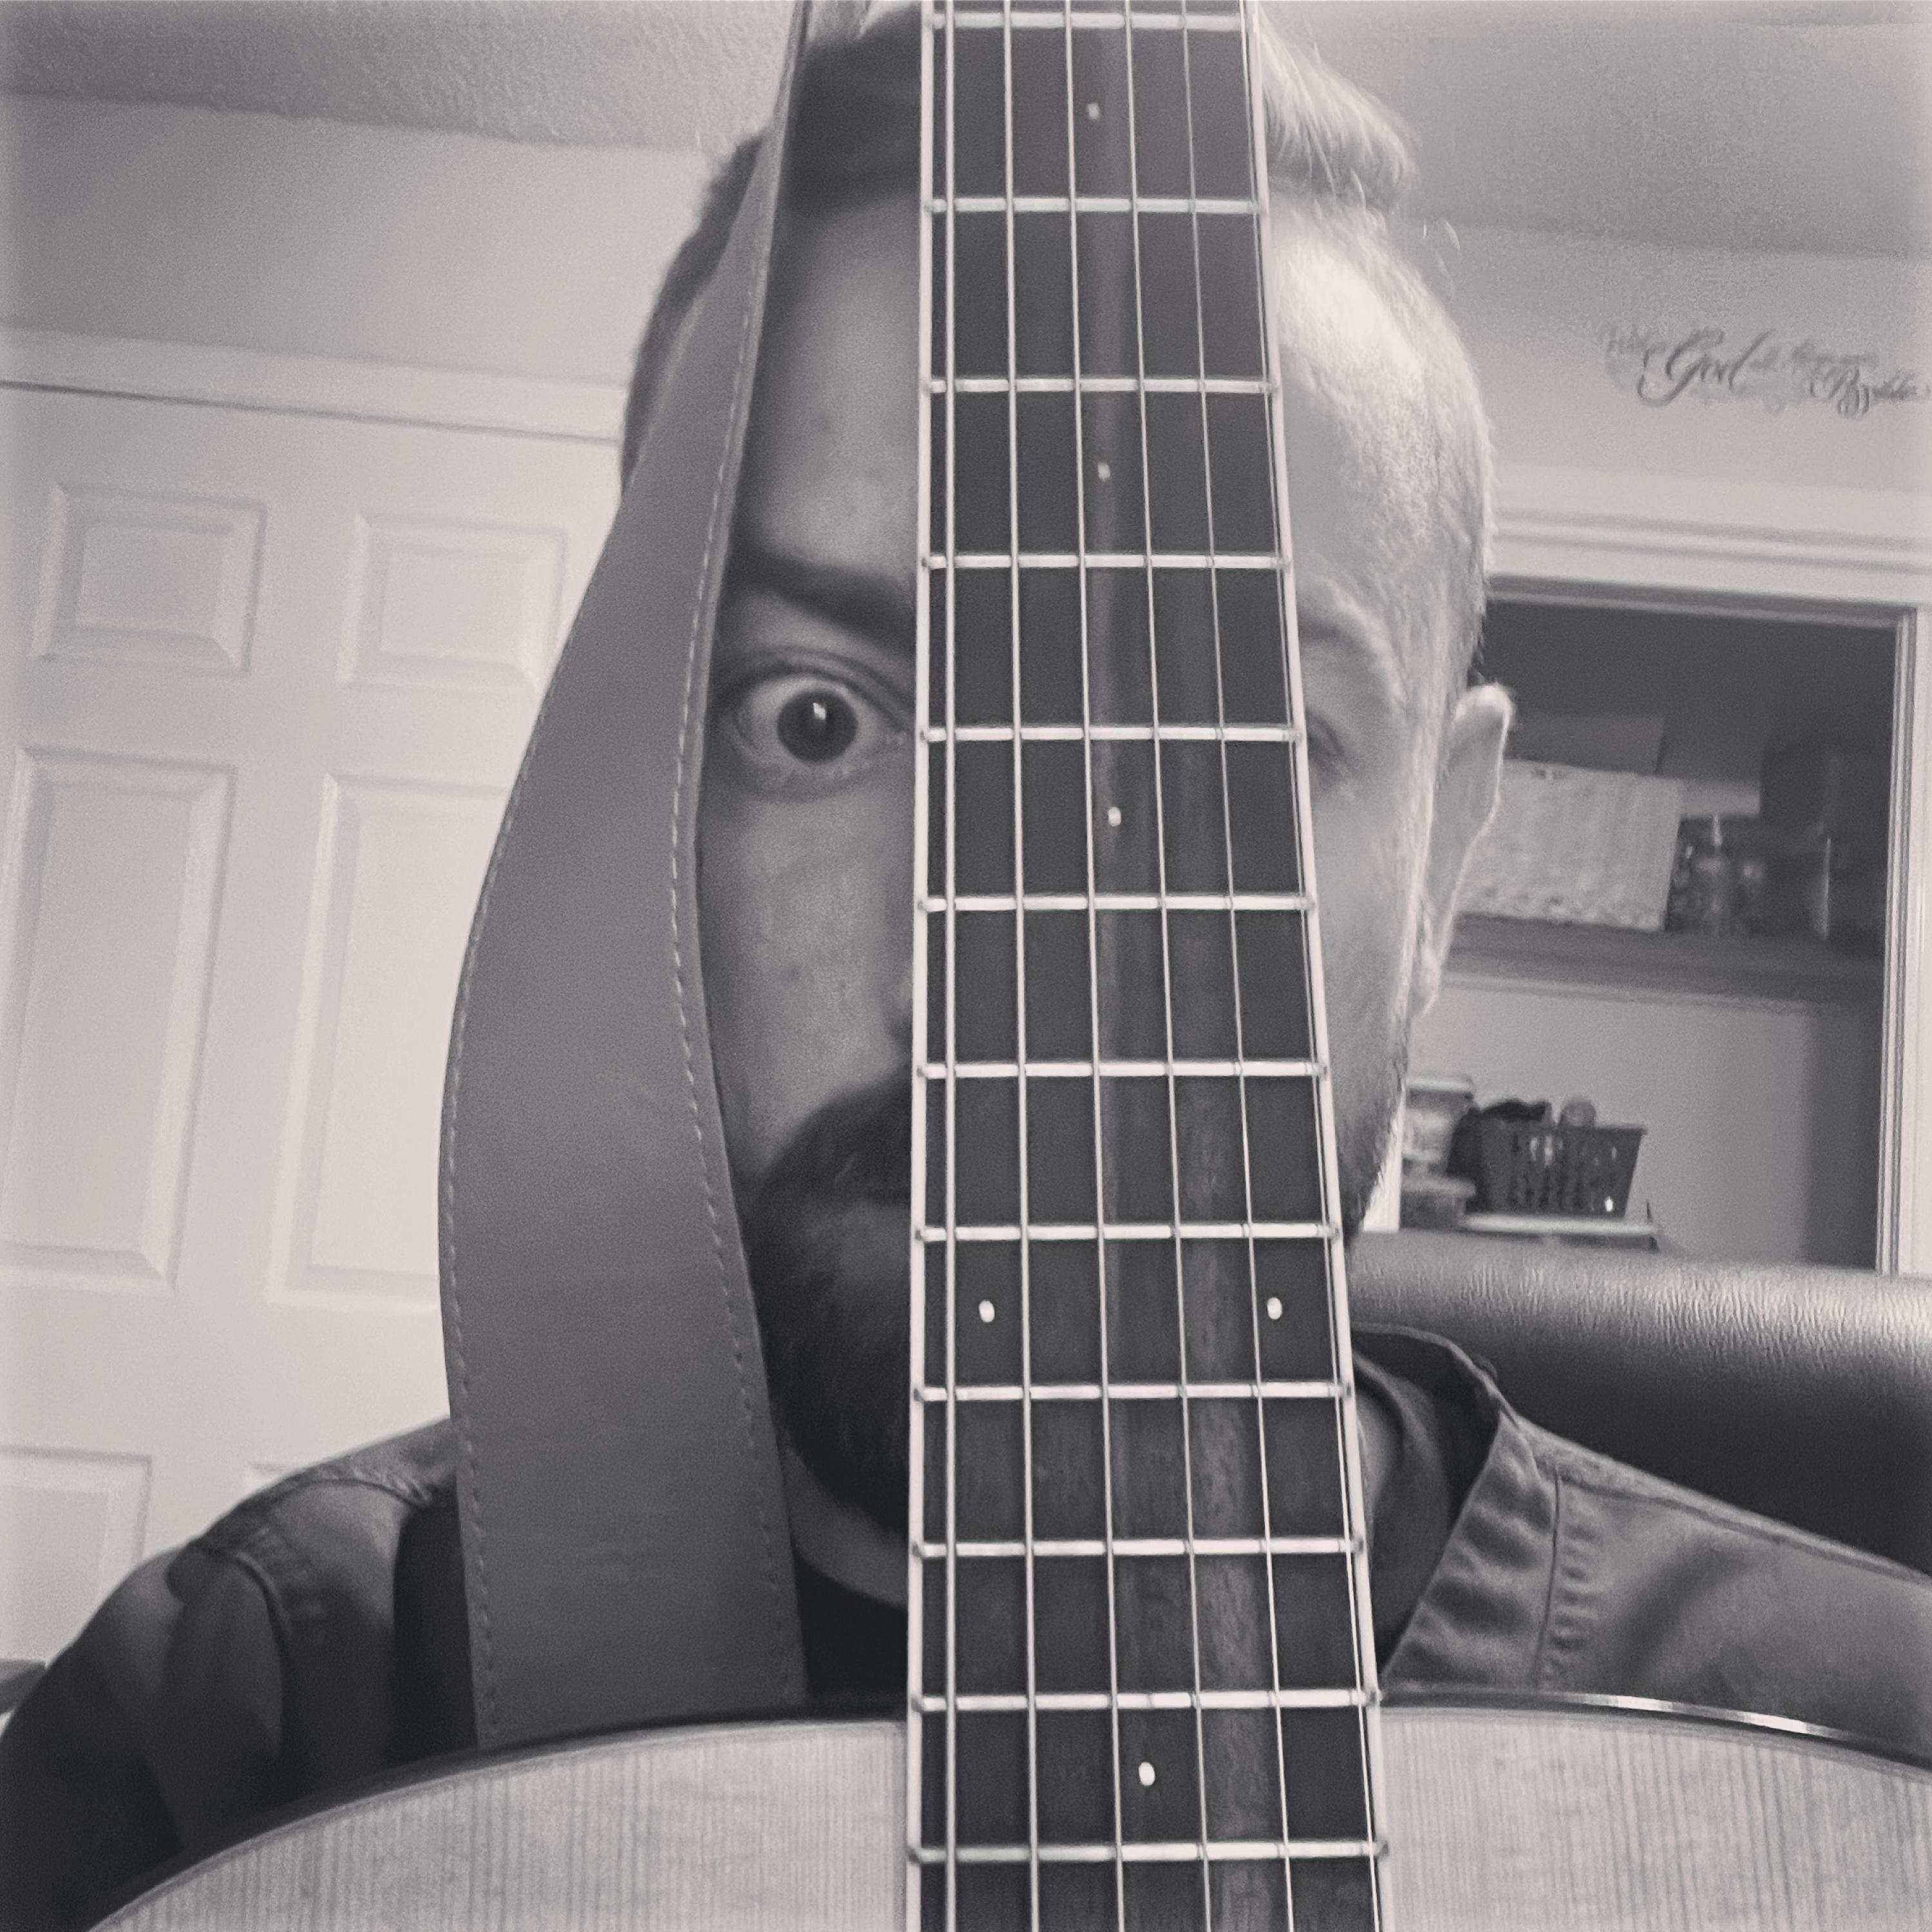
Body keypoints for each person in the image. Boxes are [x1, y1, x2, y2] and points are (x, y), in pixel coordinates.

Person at [3, 14, 1929, 1927]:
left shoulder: (1878, 1771)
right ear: (629, 776)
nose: (1008, 1008)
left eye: (1227, 748)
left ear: (1449, 853)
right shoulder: (223, 1749)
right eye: (816, 718)